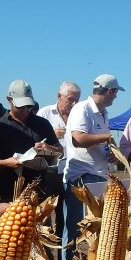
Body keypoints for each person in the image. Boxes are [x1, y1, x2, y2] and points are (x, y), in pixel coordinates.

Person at [62, 74, 123, 260]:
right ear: (109, 91)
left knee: (98, 229)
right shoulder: (83, 109)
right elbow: (78, 139)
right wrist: (105, 137)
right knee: (77, 229)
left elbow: (94, 144)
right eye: (115, 93)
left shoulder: (103, 113)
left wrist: (109, 154)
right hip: (82, 176)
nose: (115, 98)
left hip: (98, 176)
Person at [0, 80, 61, 202]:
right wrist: (5, 163)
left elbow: (60, 150)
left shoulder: (42, 124)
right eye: (21, 106)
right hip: (8, 193)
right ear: (9, 100)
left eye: (29, 106)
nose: (25, 110)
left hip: (38, 191)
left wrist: (49, 149)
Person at [37, 81, 81, 240]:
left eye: (77, 99)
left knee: (67, 214)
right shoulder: (44, 114)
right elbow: (35, 142)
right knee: (44, 213)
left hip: (70, 172)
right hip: (48, 171)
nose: (74, 103)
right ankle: (46, 253)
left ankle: (65, 251)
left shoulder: (79, 116)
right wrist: (52, 136)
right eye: (70, 99)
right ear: (59, 96)